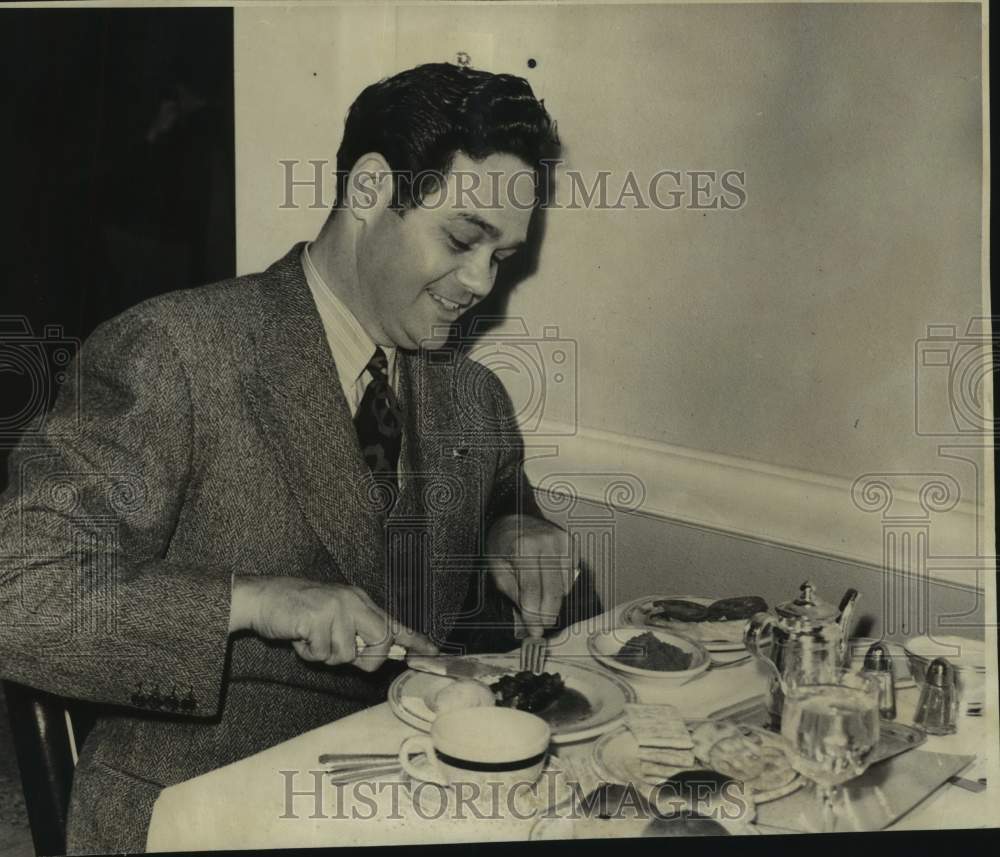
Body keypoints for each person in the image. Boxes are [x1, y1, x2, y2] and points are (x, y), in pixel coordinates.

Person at [0, 63, 577, 852]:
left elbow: (502, 490)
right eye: (462, 238)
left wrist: (515, 524)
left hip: (407, 789)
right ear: (371, 189)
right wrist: (262, 600)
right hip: (204, 801)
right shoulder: (175, 351)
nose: (480, 282)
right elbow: (20, 593)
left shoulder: (472, 393)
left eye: (502, 258)